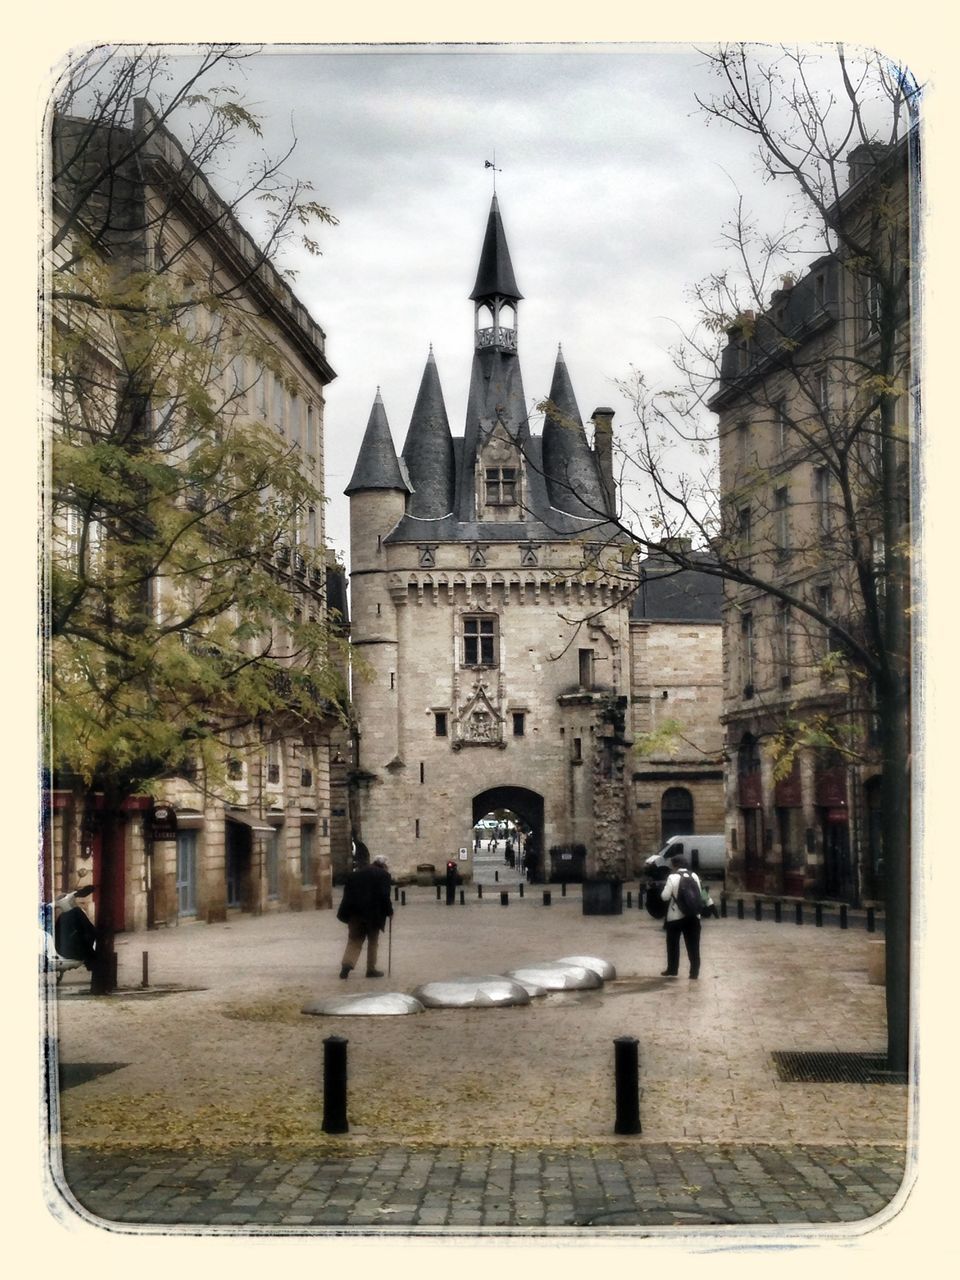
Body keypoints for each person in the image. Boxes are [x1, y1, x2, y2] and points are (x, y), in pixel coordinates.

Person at [336, 854, 393, 979]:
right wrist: (390, 911)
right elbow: (385, 896)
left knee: (354, 940)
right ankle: (371, 969)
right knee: (373, 942)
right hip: (373, 916)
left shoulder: (355, 874)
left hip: (355, 914)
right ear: (384, 865)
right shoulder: (383, 875)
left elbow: (347, 894)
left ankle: (347, 965)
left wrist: (346, 913)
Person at [659, 852, 702, 979]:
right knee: (693, 946)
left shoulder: (672, 877)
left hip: (675, 917)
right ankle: (694, 972)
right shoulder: (694, 875)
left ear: (674, 865)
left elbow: (664, 897)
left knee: (673, 944)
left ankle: (672, 969)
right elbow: (698, 894)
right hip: (693, 916)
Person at [53, 884, 97, 972]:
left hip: (62, 951)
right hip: (76, 951)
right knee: (87, 935)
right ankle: (93, 962)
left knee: (83, 936)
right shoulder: (76, 913)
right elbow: (90, 931)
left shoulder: (61, 918)